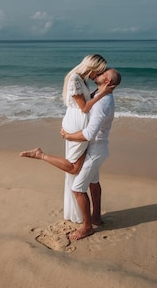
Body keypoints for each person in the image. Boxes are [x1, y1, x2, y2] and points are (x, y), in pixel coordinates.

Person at [21, 68, 121, 241]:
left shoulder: (103, 103)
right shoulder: (99, 93)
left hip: (95, 149)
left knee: (77, 188)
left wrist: (68, 136)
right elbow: (83, 101)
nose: (101, 72)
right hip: (96, 148)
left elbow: (89, 133)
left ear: (108, 82)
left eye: (104, 73)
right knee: (94, 183)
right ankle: (96, 217)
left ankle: (87, 227)